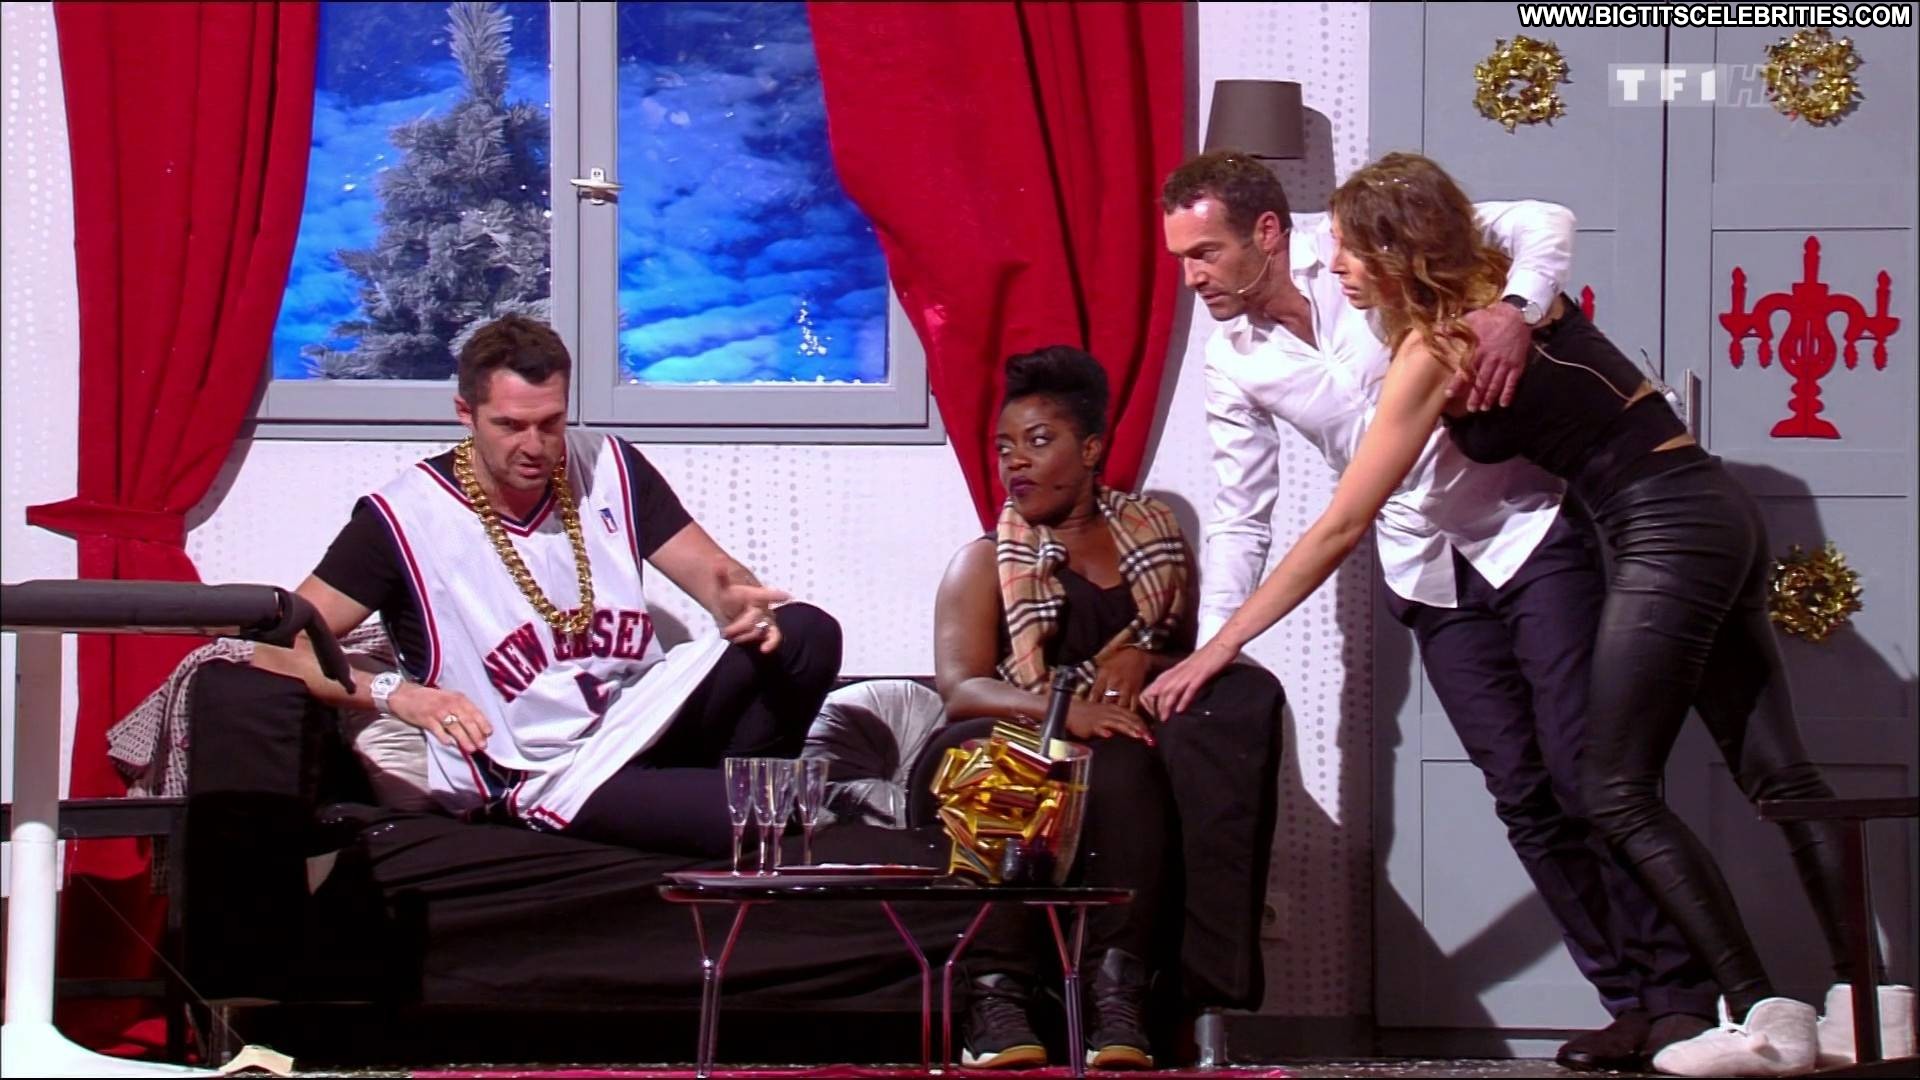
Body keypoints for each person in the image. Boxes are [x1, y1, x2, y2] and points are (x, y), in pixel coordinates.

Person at [1146, 150, 1898, 1077]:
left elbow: (1539, 220)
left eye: (1203, 253)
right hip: (1427, 567)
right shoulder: (1241, 357)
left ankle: (1693, 1000)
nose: (1192, 277)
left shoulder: (1371, 255)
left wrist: (1514, 307)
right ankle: (1643, 1002)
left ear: (1267, 233)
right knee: (1526, 797)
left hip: (1533, 535)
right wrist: (1217, 649)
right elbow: (1241, 515)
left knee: (1598, 780)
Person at [256, 314, 843, 857]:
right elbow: (277, 649)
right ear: (466, 413)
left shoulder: (608, 466)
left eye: (550, 423)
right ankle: (726, 806)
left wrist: (735, 599)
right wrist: (400, 695)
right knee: (765, 820)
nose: (534, 447)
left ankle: (726, 794)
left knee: (806, 632)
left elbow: (720, 579)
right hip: (538, 769)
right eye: (510, 426)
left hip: (638, 718)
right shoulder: (401, 518)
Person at [915, 345, 1286, 1070]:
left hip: (1115, 747)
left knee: (1129, 760)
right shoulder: (985, 560)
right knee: (1065, 760)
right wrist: (1064, 711)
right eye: (1004, 448)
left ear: (1091, 450)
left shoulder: (1156, 543)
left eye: (1038, 441)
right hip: (995, 733)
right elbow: (960, 689)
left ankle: (1120, 994)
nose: (1015, 462)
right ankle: (996, 995)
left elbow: (1188, 665)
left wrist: (1146, 659)